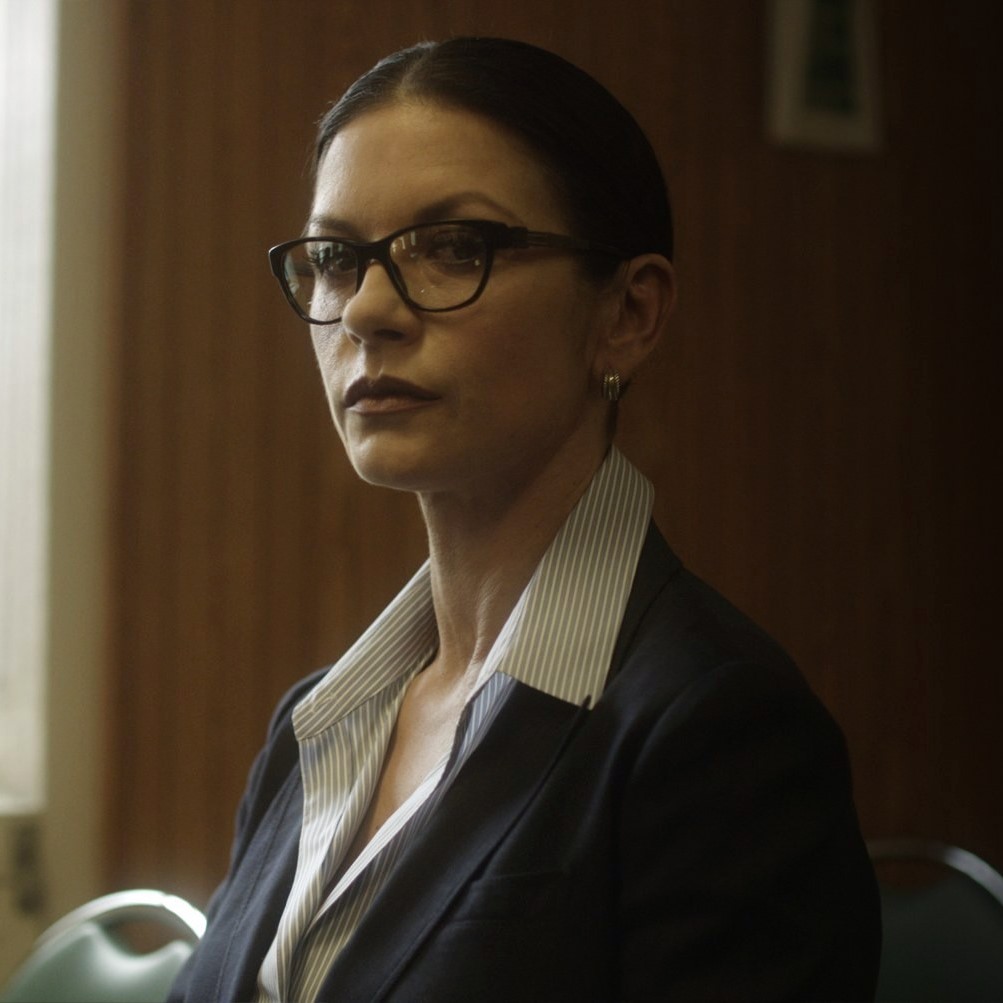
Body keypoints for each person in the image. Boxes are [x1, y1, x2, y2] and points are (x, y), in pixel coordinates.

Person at [169, 36, 881, 1003]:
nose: (367, 310)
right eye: (335, 258)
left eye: (453, 246)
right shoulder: (317, 723)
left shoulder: (720, 731)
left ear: (627, 313)